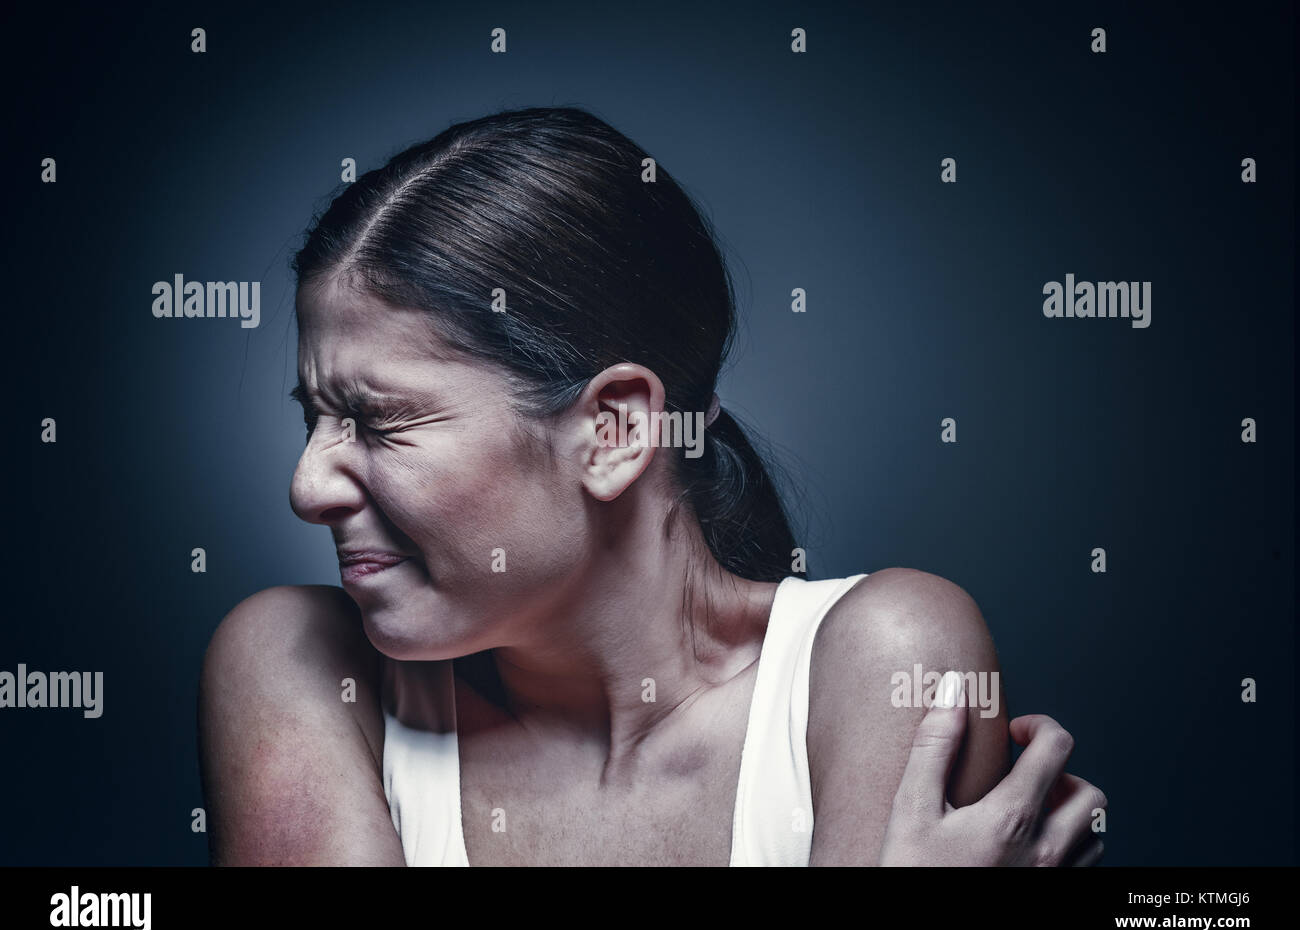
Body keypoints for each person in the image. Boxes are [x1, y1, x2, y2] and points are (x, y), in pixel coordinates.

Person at [197, 106, 1105, 866]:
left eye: (381, 420)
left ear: (616, 430)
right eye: (312, 418)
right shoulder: (296, 663)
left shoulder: (890, 652)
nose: (308, 486)